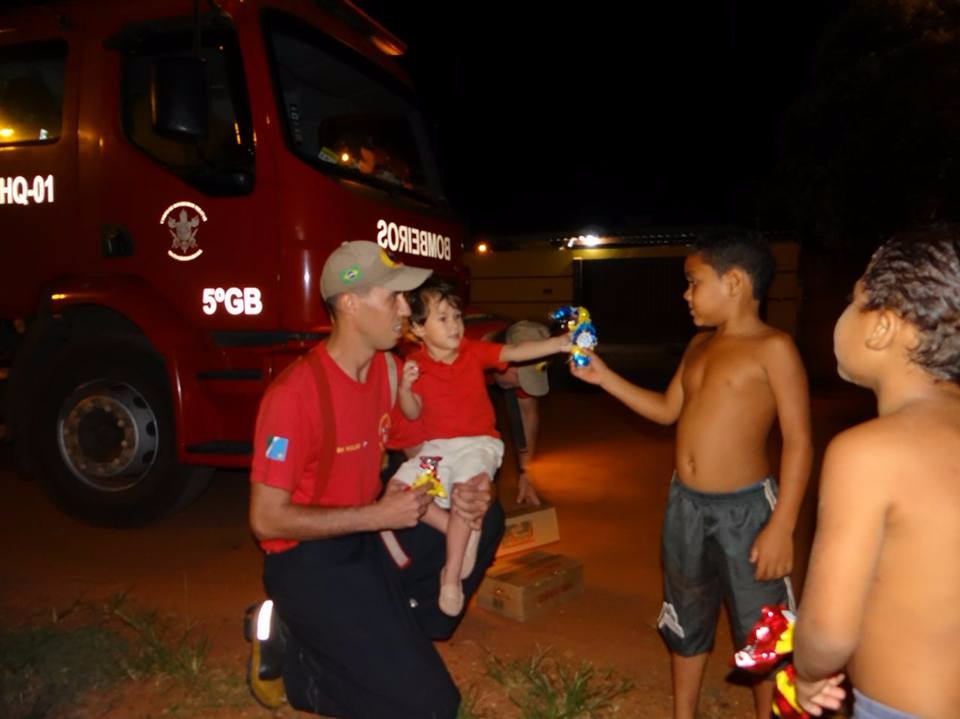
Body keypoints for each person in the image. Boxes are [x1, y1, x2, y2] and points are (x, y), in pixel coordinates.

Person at [246, 241, 504, 718]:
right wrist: (377, 514)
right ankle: (298, 664)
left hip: (367, 538)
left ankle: (393, 631)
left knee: (483, 518)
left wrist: (468, 488)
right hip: (309, 560)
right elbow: (265, 521)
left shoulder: (387, 371)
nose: (406, 309)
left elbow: (420, 455)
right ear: (350, 303)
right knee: (431, 706)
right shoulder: (294, 396)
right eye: (394, 297)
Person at [570, 230, 813, 719]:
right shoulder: (699, 346)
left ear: (736, 282)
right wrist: (605, 377)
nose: (686, 294)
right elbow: (666, 410)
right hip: (686, 505)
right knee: (687, 616)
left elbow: (800, 441)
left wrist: (782, 524)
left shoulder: (774, 348)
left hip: (747, 511)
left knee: (763, 630)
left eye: (693, 282)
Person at [793, 228, 960, 719]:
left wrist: (808, 671)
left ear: (882, 327)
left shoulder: (867, 453)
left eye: (853, 299)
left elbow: (829, 630)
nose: (841, 314)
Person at [393, 278, 570, 616]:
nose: (455, 325)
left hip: (477, 445)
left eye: (457, 316)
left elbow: (516, 352)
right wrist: (405, 388)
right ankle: (459, 530)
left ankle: (451, 576)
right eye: (442, 318)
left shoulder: (473, 352)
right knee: (402, 488)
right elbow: (412, 412)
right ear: (417, 328)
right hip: (436, 451)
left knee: (466, 492)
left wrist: (559, 344)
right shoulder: (414, 365)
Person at [492, 320, 553, 505]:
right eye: (520, 377)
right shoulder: (461, 352)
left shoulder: (518, 364)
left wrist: (526, 472)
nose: (520, 385)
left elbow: (527, 414)